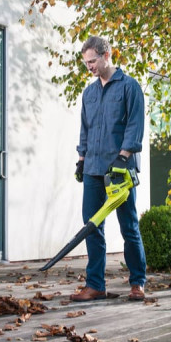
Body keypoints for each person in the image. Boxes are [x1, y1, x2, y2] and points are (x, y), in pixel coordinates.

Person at [70, 36, 148, 302]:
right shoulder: (89, 93)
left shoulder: (129, 87)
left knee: (129, 227)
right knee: (92, 226)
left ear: (106, 55)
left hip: (120, 171)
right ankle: (95, 285)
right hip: (93, 168)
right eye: (86, 63)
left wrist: (124, 156)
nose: (89, 66)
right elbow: (85, 128)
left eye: (92, 61)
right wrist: (81, 159)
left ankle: (137, 282)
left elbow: (135, 125)